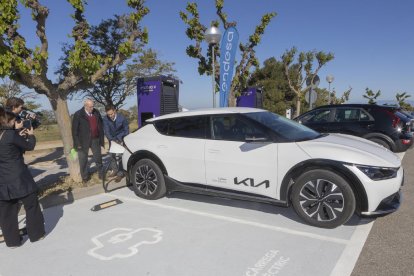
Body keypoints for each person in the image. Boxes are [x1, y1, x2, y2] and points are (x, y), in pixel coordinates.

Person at [0, 107, 45, 248]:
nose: (16, 122)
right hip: (19, 177)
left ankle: (12, 242)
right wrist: (30, 135)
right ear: (9, 122)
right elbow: (29, 146)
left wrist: (17, 132)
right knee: (31, 205)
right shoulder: (11, 135)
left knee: (6, 213)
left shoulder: (8, 134)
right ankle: (36, 235)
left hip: (2, 180)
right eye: (14, 120)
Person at [72, 99, 105, 183]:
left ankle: (101, 175)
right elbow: (74, 130)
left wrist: (101, 138)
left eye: (93, 106)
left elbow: (100, 124)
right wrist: (77, 143)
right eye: (90, 107)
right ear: (85, 106)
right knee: (83, 160)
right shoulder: (78, 114)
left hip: (95, 139)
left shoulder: (96, 112)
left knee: (98, 158)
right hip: (82, 141)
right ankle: (85, 178)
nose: (92, 108)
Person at [103, 104, 129, 180]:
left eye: (112, 114)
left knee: (121, 156)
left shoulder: (122, 117)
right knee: (112, 155)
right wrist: (112, 140)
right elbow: (107, 131)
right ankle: (115, 170)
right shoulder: (105, 119)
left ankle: (120, 173)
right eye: (109, 114)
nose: (110, 116)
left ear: (115, 111)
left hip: (121, 138)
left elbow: (126, 129)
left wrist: (123, 139)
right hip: (112, 139)